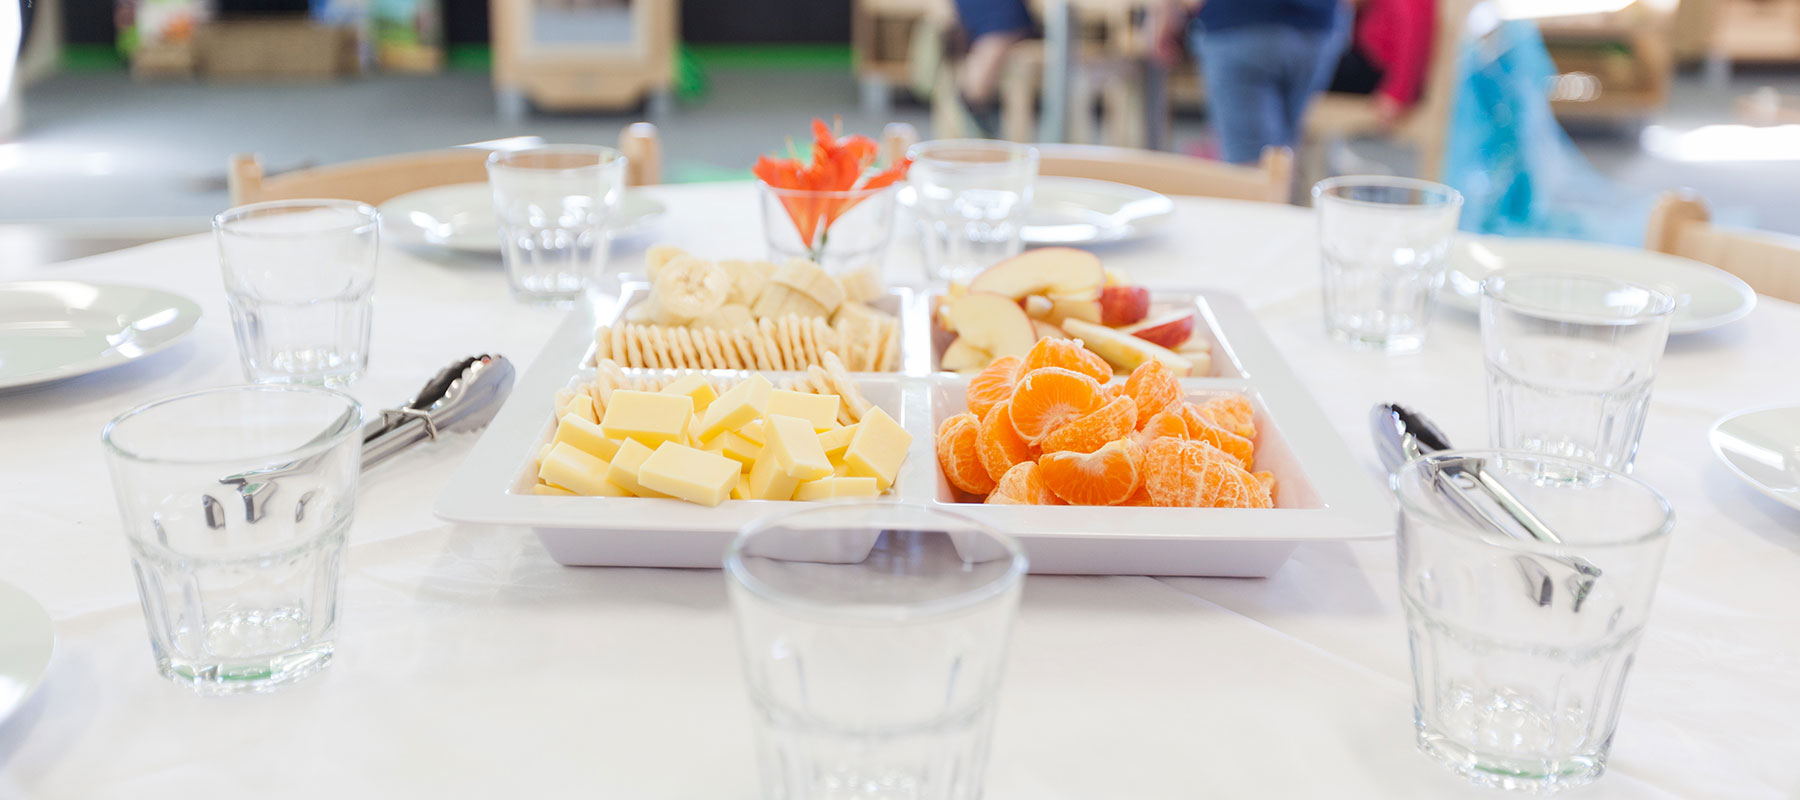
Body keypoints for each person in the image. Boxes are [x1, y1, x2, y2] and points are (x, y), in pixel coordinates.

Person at [1153, 0, 1349, 165]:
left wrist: (1164, 17)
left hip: (1240, 23)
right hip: (1317, 28)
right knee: (1281, 156)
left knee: (1251, 167)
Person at [1328, 0, 1435, 131]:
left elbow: (1414, 37)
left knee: (1313, 69)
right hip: (1365, 58)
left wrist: (1397, 94)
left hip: (1379, 73)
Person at [950, 0, 1034, 137]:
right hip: (982, 19)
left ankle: (983, 117)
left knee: (978, 81)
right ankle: (982, 117)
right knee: (976, 83)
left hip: (1002, 20)